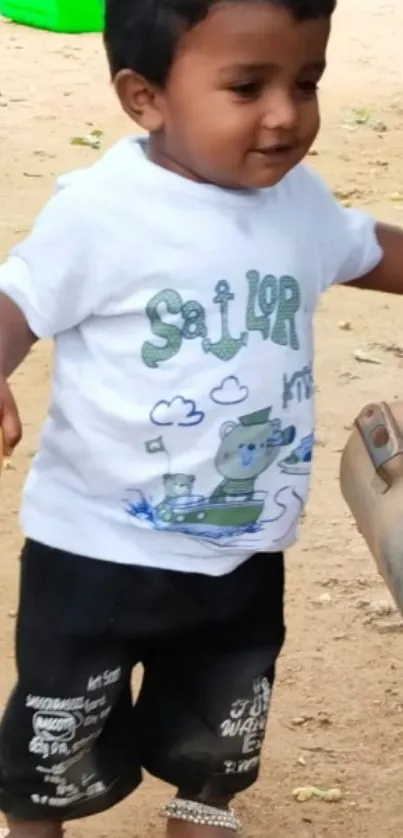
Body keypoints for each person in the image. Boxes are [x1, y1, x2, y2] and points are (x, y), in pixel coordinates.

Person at [0, 0, 403, 835]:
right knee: (55, 739)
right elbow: (19, 299)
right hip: (96, 550)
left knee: (222, 724)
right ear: (144, 97)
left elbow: (366, 248)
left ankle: (201, 814)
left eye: (307, 80)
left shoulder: (297, 201)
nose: (286, 115)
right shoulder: (104, 211)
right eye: (247, 86)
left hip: (243, 547)